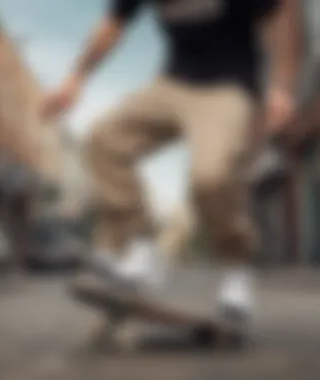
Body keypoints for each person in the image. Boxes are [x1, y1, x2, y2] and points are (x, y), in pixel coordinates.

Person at [42, 0, 301, 329]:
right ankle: (140, 247)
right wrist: (75, 79)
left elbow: (275, 21)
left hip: (228, 86)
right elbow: (112, 27)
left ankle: (236, 268)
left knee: (210, 177)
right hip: (173, 83)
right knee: (103, 140)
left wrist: (279, 84)